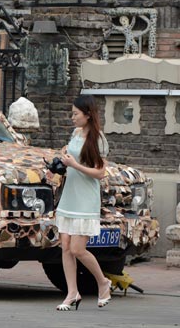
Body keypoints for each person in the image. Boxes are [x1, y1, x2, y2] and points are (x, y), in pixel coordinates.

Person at [52, 95, 112, 311]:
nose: (72, 117)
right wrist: (62, 160)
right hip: (70, 196)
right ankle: (72, 293)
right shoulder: (75, 133)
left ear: (87, 115)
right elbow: (71, 161)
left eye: (75, 114)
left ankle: (103, 282)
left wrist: (74, 165)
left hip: (86, 199)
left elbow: (100, 173)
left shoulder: (98, 139)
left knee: (78, 249)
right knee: (65, 247)